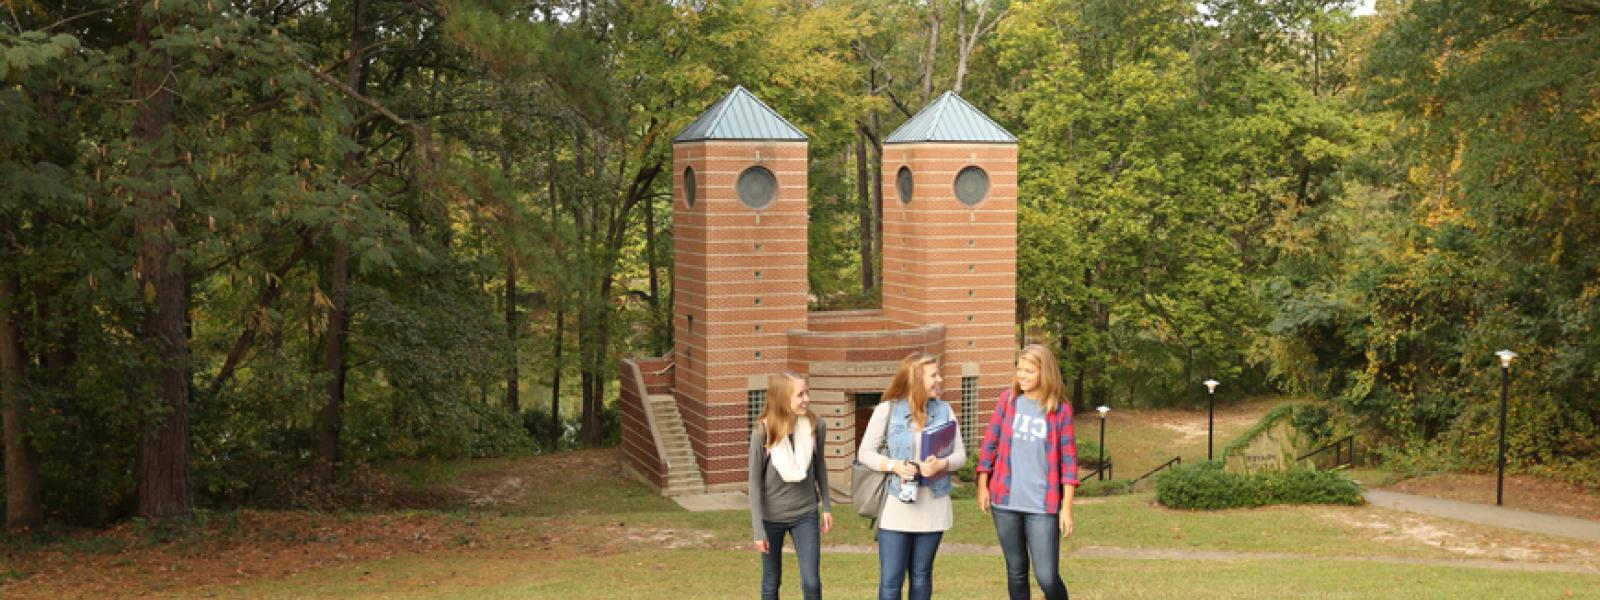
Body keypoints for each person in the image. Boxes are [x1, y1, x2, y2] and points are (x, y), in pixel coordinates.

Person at [858, 352, 966, 600]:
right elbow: (865, 453)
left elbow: (960, 455)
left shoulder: (944, 410)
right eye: (933, 375)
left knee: (921, 575)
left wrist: (942, 464)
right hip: (897, 505)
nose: (939, 379)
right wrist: (893, 465)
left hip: (933, 504)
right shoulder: (887, 410)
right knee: (891, 581)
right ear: (916, 380)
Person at [975, 344, 1079, 600]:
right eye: (1019, 369)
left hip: (1042, 506)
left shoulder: (1060, 411)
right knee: (1016, 571)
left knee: (1046, 576)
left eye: (1029, 371)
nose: (1021, 376)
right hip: (1005, 501)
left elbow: (1068, 463)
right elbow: (990, 443)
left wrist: (1066, 508)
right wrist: (982, 485)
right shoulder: (1008, 401)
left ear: (1045, 373)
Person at [749, 371, 833, 600]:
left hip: (805, 514)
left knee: (811, 582)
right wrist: (758, 530)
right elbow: (754, 484)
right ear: (782, 398)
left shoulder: (817, 426)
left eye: (807, 392)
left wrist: (826, 506)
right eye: (800, 394)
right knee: (771, 581)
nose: (807, 399)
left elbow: (820, 467)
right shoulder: (762, 431)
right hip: (771, 518)